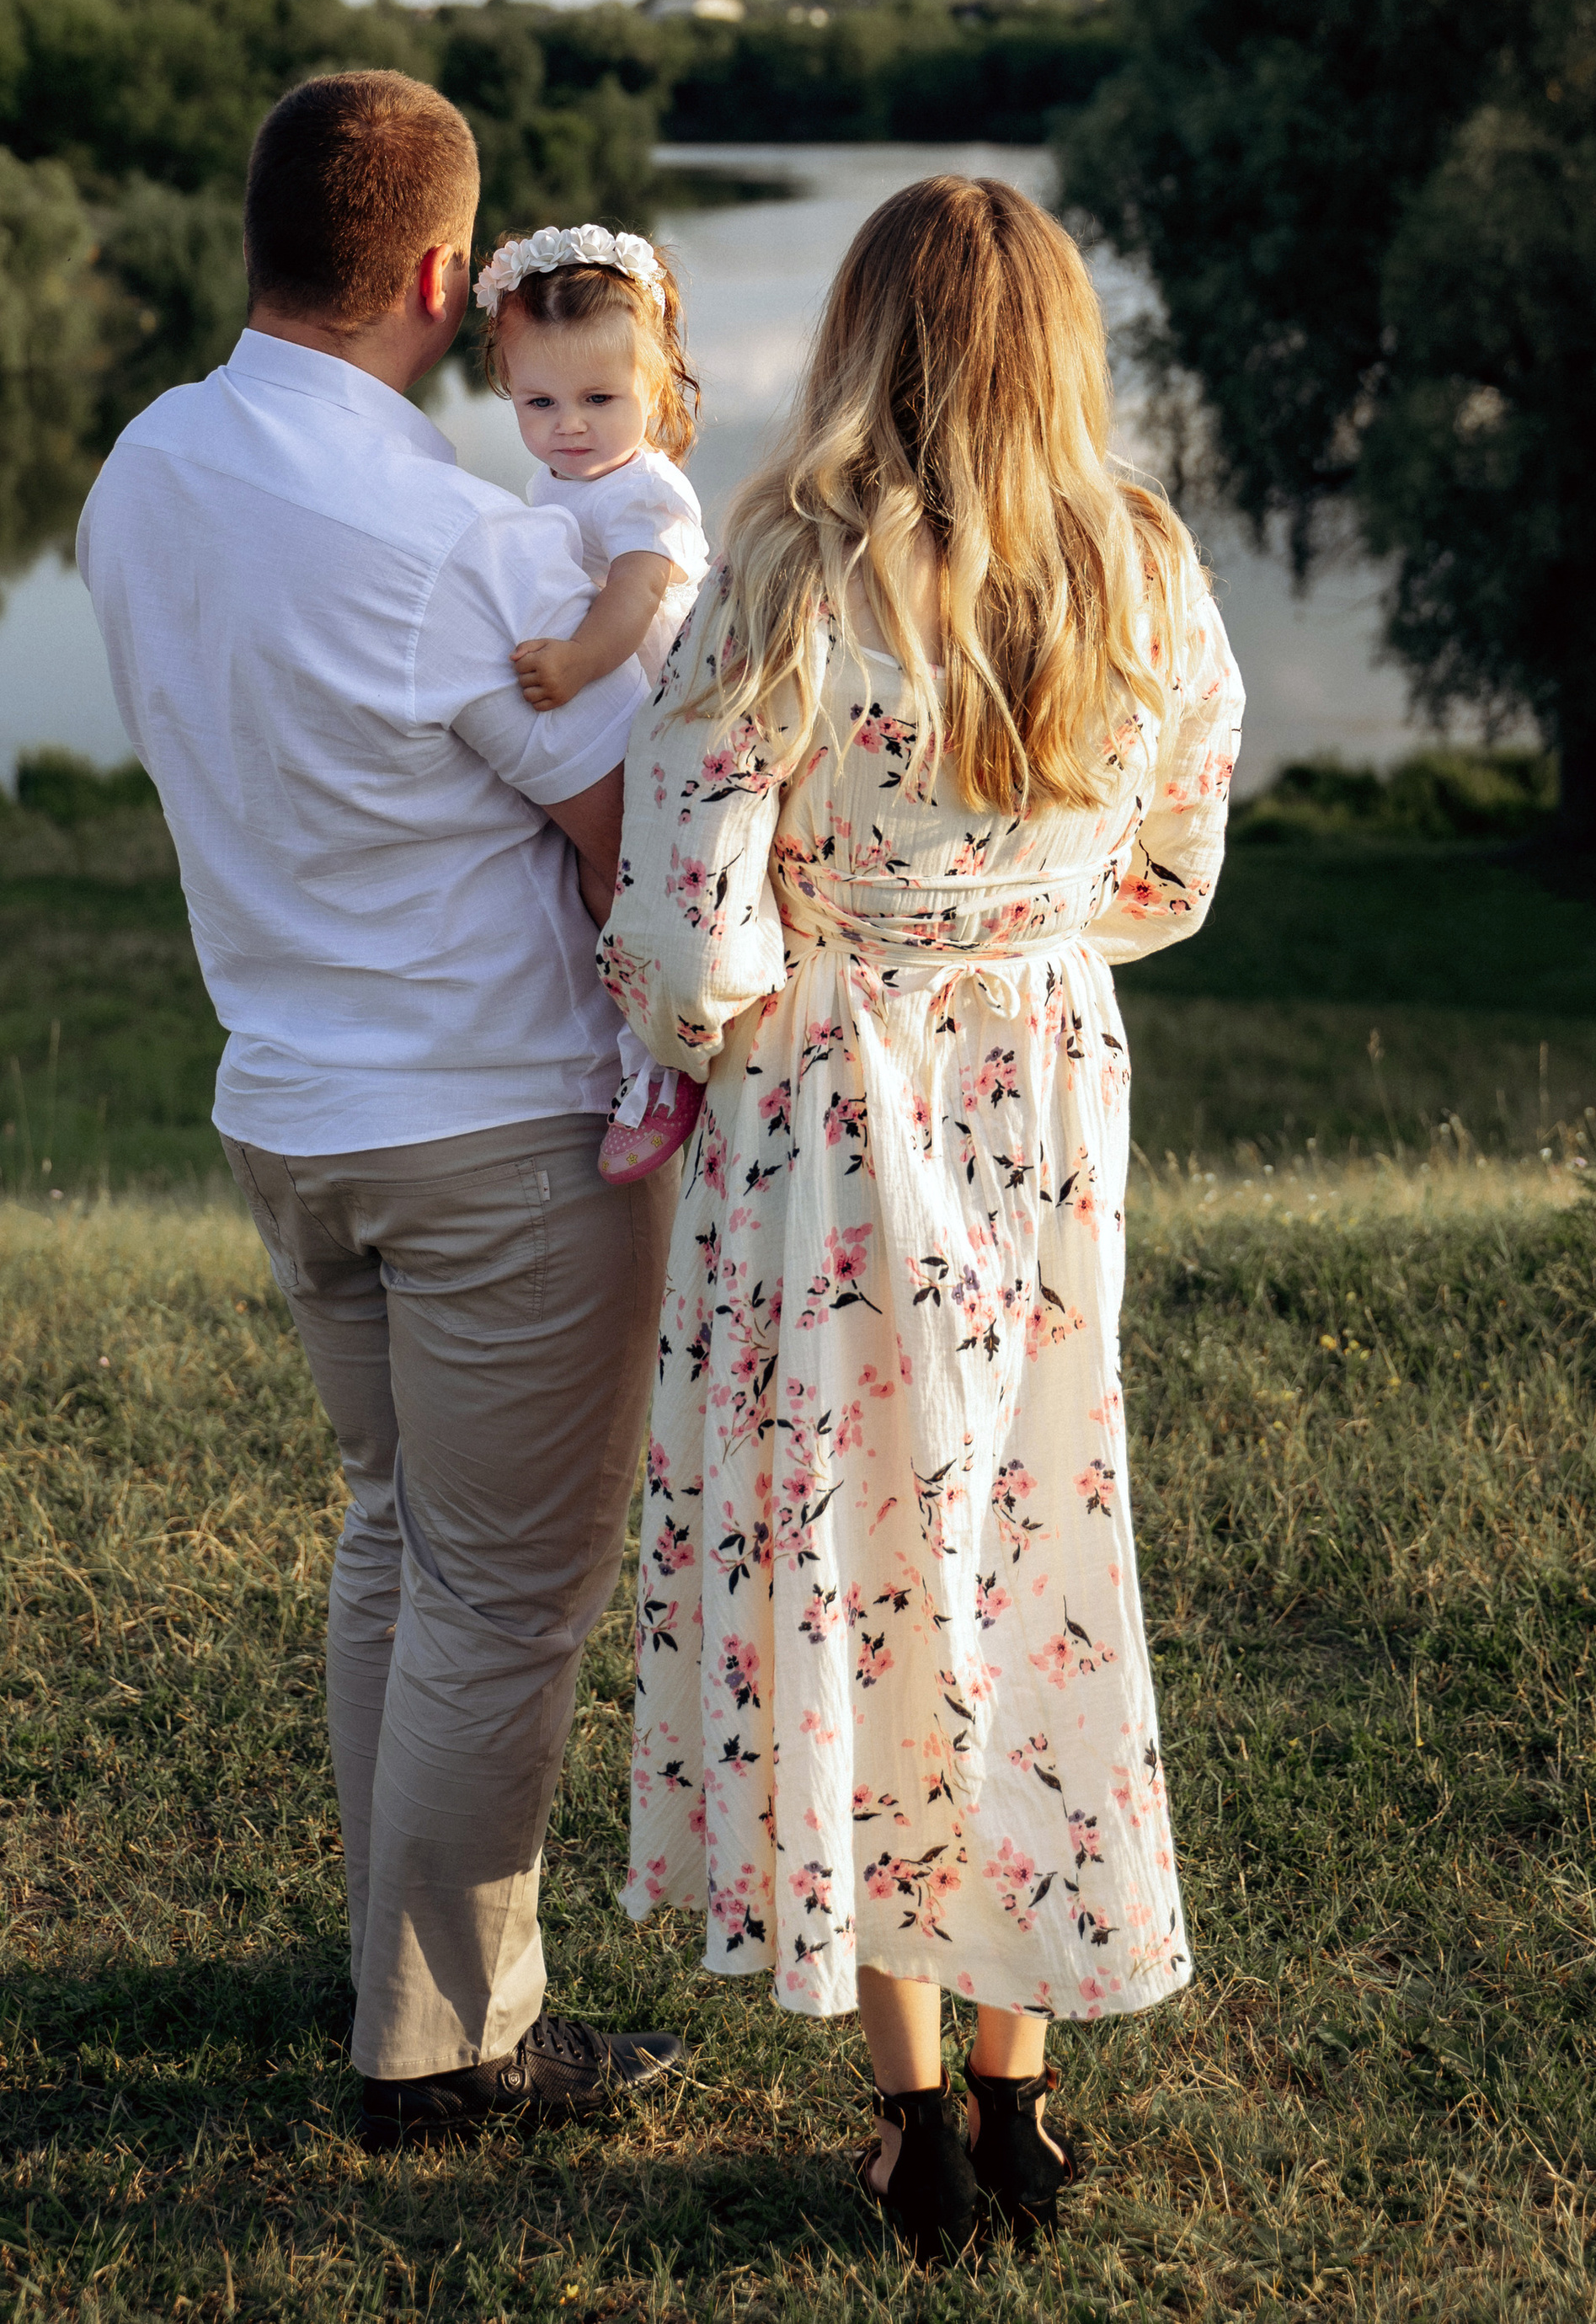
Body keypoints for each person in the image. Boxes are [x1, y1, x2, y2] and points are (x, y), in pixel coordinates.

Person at [597, 175, 1245, 2264]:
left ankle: (905, 2118)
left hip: (827, 1119)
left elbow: (685, 923)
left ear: (859, 335)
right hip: (1041, 1101)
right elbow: (1172, 872)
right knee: (1033, 1537)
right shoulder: (1141, 564)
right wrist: (1018, 942)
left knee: (850, 1553)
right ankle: (1015, 2089)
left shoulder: (781, 564)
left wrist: (765, 978)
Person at [75, 69, 684, 2146]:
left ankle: (394, 1956)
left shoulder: (141, 467)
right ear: (440, 274)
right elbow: (623, 834)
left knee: (399, 1537)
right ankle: (441, 2052)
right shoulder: (452, 536)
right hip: (493, 1127)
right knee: (502, 1592)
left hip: (287, 1106)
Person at [481, 222, 712, 1185]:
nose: (568, 423)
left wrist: (575, 664)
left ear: (653, 392)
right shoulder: (551, 478)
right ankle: (631, 1050)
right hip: (625, 716)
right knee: (597, 885)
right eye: (539, 401)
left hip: (674, 709)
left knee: (626, 884)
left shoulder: (644, 491)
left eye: (598, 399)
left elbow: (633, 596)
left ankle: (665, 1063)